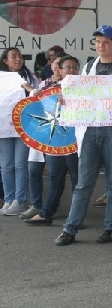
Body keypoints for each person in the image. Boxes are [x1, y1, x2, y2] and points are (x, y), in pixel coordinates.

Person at [54, 25, 112, 246]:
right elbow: (81, 96)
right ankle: (70, 229)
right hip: (91, 128)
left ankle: (111, 228)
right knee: (84, 182)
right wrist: (68, 100)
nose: (101, 45)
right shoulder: (89, 66)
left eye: (106, 42)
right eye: (98, 42)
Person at [25, 56, 81, 225]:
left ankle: (76, 216)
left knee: (77, 178)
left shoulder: (85, 87)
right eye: (67, 67)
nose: (71, 70)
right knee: (55, 176)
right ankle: (47, 213)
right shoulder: (48, 88)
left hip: (76, 141)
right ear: (60, 70)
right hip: (55, 139)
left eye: (74, 67)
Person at [21, 52, 66, 220]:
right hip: (41, 131)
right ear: (51, 65)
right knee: (33, 169)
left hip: (59, 135)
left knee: (55, 173)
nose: (58, 67)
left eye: (62, 64)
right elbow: (35, 102)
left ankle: (49, 208)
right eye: (56, 63)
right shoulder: (45, 83)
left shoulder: (69, 85)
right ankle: (36, 204)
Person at [0, 47, 38, 216]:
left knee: (20, 164)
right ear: (5, 61)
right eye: (13, 57)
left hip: (24, 126)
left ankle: (20, 200)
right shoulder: (1, 78)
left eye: (20, 56)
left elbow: (37, 95)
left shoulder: (29, 77)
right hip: (4, 126)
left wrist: (29, 88)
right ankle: (9, 199)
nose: (18, 59)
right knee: (6, 165)